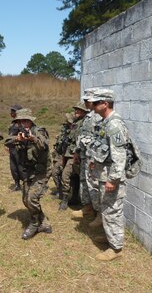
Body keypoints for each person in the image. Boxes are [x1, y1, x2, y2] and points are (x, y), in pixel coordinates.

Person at [87, 89, 129, 261]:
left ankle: (116, 249)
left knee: (113, 211)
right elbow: (104, 148)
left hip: (112, 178)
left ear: (106, 103)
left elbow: (120, 155)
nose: (93, 106)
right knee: (107, 209)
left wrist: (114, 179)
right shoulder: (106, 121)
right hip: (104, 174)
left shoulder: (114, 124)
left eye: (96, 103)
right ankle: (109, 237)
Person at [4, 108, 52, 240]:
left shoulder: (39, 131)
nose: (23, 123)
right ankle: (44, 223)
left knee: (32, 198)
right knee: (26, 199)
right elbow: (6, 141)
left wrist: (33, 139)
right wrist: (17, 140)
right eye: (20, 121)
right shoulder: (17, 132)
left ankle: (35, 224)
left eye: (26, 121)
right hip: (29, 171)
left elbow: (44, 144)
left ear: (31, 121)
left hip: (42, 171)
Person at [72, 88, 102, 227]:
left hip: (93, 158)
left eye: (87, 100)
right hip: (85, 156)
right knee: (84, 183)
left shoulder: (100, 117)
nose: (85, 102)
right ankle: (88, 208)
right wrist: (77, 152)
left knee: (95, 186)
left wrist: (95, 158)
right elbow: (83, 135)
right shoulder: (89, 116)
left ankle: (99, 214)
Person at [58, 102, 89, 210]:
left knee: (65, 176)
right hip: (69, 153)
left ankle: (65, 199)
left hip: (77, 155)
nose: (76, 111)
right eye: (76, 109)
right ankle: (74, 198)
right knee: (74, 178)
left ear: (84, 112)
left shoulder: (85, 123)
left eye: (78, 110)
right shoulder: (75, 122)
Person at [51, 113, 74, 199]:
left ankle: (65, 194)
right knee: (54, 172)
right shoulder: (64, 129)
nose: (67, 122)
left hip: (69, 156)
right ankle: (59, 191)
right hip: (61, 155)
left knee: (64, 174)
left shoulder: (75, 129)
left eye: (68, 120)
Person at [8, 105, 23, 191]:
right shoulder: (13, 123)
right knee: (13, 167)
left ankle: (25, 183)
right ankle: (17, 184)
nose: (11, 113)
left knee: (21, 167)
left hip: (19, 149)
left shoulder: (22, 123)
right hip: (12, 148)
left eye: (13, 111)